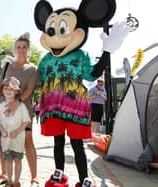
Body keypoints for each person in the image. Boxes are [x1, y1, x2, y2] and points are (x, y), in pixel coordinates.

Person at [33, 1, 130, 186]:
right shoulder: (46, 59)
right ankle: (59, 173)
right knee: (58, 142)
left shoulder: (81, 55)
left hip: (75, 107)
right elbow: (39, 80)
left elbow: (92, 73)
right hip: (53, 107)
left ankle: (84, 177)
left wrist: (107, 52)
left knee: (77, 144)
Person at [0, 32, 40, 187]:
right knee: (4, 142)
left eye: (24, 47)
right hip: (5, 110)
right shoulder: (7, 66)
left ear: (28, 50)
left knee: (28, 142)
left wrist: (16, 103)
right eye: (18, 47)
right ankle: (5, 174)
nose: (21, 49)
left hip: (23, 110)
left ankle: (34, 178)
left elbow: (30, 90)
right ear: (15, 49)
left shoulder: (32, 69)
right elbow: (0, 88)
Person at [0, 76, 31, 187]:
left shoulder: (21, 106)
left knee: (17, 159)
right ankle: (9, 180)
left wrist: (17, 131)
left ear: (16, 91)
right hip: (6, 139)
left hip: (18, 138)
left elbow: (26, 121)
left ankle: (17, 181)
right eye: (6, 88)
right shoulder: (1, 106)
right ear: (2, 90)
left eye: (11, 88)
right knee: (8, 160)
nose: (8, 90)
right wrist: (2, 131)